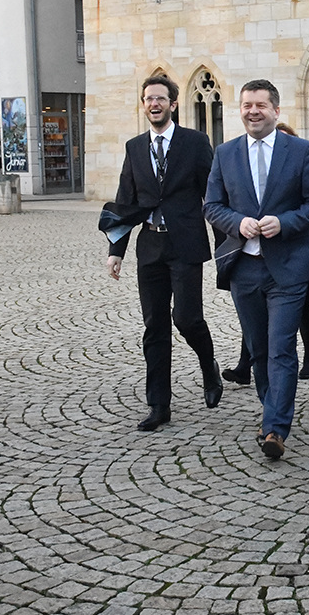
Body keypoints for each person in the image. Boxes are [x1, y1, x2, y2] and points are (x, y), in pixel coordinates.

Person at [205, 80, 309, 459]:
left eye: (261, 105)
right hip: (244, 266)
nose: (253, 111)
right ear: (240, 110)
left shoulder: (302, 151)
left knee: (280, 349)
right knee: (259, 350)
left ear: (276, 110)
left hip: (288, 268)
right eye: (247, 105)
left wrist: (286, 222)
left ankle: (276, 427)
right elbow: (212, 205)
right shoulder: (225, 154)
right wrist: (236, 223)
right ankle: (269, 409)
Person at [101, 73, 221, 431]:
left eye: (160, 99)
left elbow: (213, 196)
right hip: (150, 245)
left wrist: (227, 245)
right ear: (144, 105)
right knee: (154, 326)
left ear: (173, 104)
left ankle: (208, 364)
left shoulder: (195, 142)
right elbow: (126, 200)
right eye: (149, 99)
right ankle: (159, 404)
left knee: (186, 318)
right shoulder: (135, 147)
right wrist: (116, 250)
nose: (154, 104)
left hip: (185, 245)